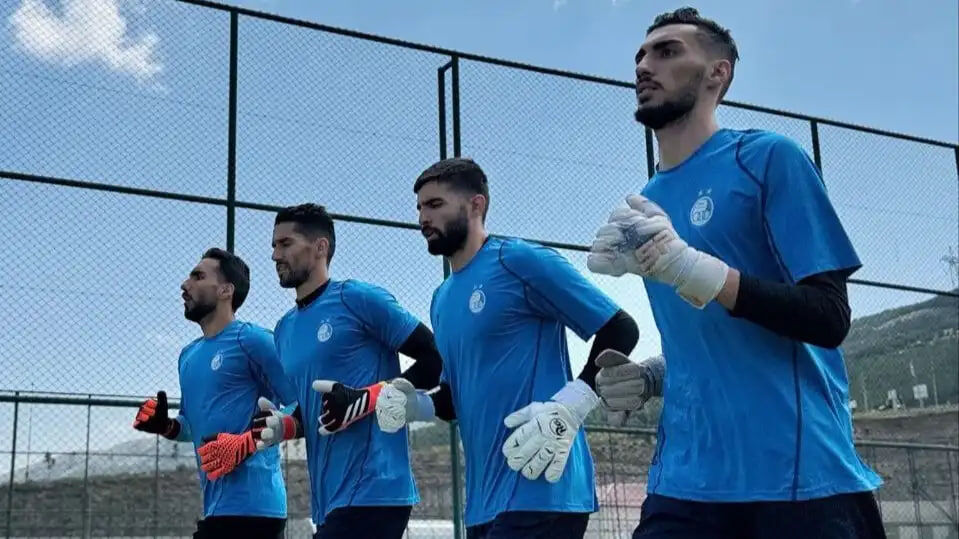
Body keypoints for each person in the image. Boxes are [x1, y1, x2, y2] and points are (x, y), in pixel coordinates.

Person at [586, 7, 885, 538]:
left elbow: (829, 316)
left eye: (667, 51)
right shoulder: (645, 206)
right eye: (640, 56)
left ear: (717, 73)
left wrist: (697, 270)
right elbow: (711, 343)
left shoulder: (767, 158)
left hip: (796, 481)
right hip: (683, 484)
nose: (644, 66)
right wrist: (652, 376)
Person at [378, 157, 639, 539]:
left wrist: (570, 407)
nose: (423, 218)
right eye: (419, 208)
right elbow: (454, 397)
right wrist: (416, 405)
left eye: (434, 205)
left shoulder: (519, 260)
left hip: (544, 488)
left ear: (476, 205)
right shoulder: (441, 299)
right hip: (484, 503)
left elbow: (620, 328)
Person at [252, 202, 443, 539]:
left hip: (376, 489)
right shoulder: (283, 330)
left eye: (285, 244)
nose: (275, 255)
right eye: (273, 245)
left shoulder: (357, 299)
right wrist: (284, 424)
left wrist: (368, 398)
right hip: (329, 501)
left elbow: (434, 358)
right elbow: (317, 411)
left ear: (320, 247)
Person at [132, 248, 296, 539]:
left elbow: (300, 403)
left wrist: (245, 443)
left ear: (225, 290)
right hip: (216, 509)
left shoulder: (254, 340)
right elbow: (190, 425)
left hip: (257, 511)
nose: (185, 284)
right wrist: (166, 426)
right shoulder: (188, 356)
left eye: (198, 276)